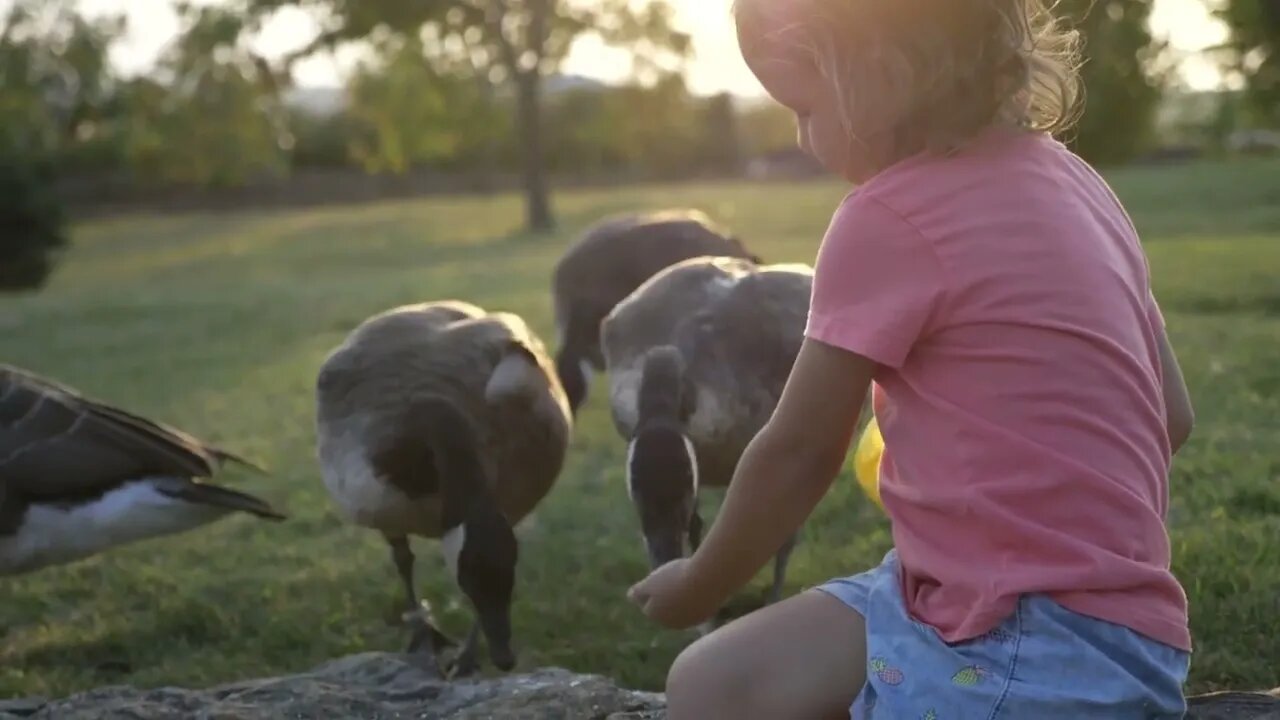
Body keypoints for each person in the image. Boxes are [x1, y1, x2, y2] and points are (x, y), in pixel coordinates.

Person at [625, 0, 1198, 717]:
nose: (803, 140)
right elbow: (1170, 415)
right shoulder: (1080, 184)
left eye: (804, 108)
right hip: (1093, 623)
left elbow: (799, 452)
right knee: (710, 682)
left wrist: (700, 583)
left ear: (881, 78)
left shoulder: (886, 217)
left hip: (1027, 647)